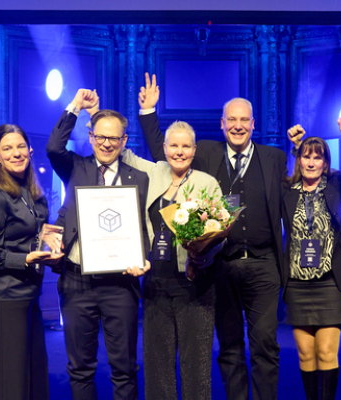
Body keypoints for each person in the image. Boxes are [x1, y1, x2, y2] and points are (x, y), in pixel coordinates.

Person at [139, 73, 291, 400]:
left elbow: (295, 195)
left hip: (264, 265)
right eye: (232, 120)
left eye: (244, 120)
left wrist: (301, 145)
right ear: (222, 124)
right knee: (230, 345)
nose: (238, 125)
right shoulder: (205, 151)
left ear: (254, 124)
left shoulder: (275, 157)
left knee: (265, 343)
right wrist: (149, 113)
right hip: (220, 266)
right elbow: (163, 153)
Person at [46, 89, 150, 400]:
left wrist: (146, 260)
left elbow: (147, 228)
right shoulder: (75, 167)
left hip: (122, 282)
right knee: (80, 368)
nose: (106, 144)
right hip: (78, 281)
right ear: (91, 138)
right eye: (100, 137)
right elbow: (53, 147)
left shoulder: (140, 177)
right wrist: (76, 106)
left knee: (125, 369)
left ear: (124, 141)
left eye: (114, 139)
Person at [119, 116, 222, 400]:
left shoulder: (207, 183)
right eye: (174, 145)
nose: (179, 151)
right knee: (157, 366)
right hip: (155, 285)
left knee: (196, 367)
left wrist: (205, 256)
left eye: (186, 146)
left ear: (194, 149)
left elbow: (219, 232)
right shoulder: (154, 173)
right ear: (164, 148)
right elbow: (122, 150)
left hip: (195, 286)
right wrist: (96, 114)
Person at [281, 120, 341, 400]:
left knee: (326, 352)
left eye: (317, 157)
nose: (311, 162)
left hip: (331, 282)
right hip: (296, 283)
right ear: (299, 159)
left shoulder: (336, 184)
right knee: (306, 354)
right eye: (306, 156)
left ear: (325, 162)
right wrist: (295, 144)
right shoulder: (285, 189)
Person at [0, 124, 59, 400]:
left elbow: (26, 232)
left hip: (25, 296)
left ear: (30, 150)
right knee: (10, 383)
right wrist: (25, 258)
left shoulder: (29, 193)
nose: (16, 153)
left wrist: (45, 236)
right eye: (7, 148)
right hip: (1, 300)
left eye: (20, 146)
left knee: (30, 379)